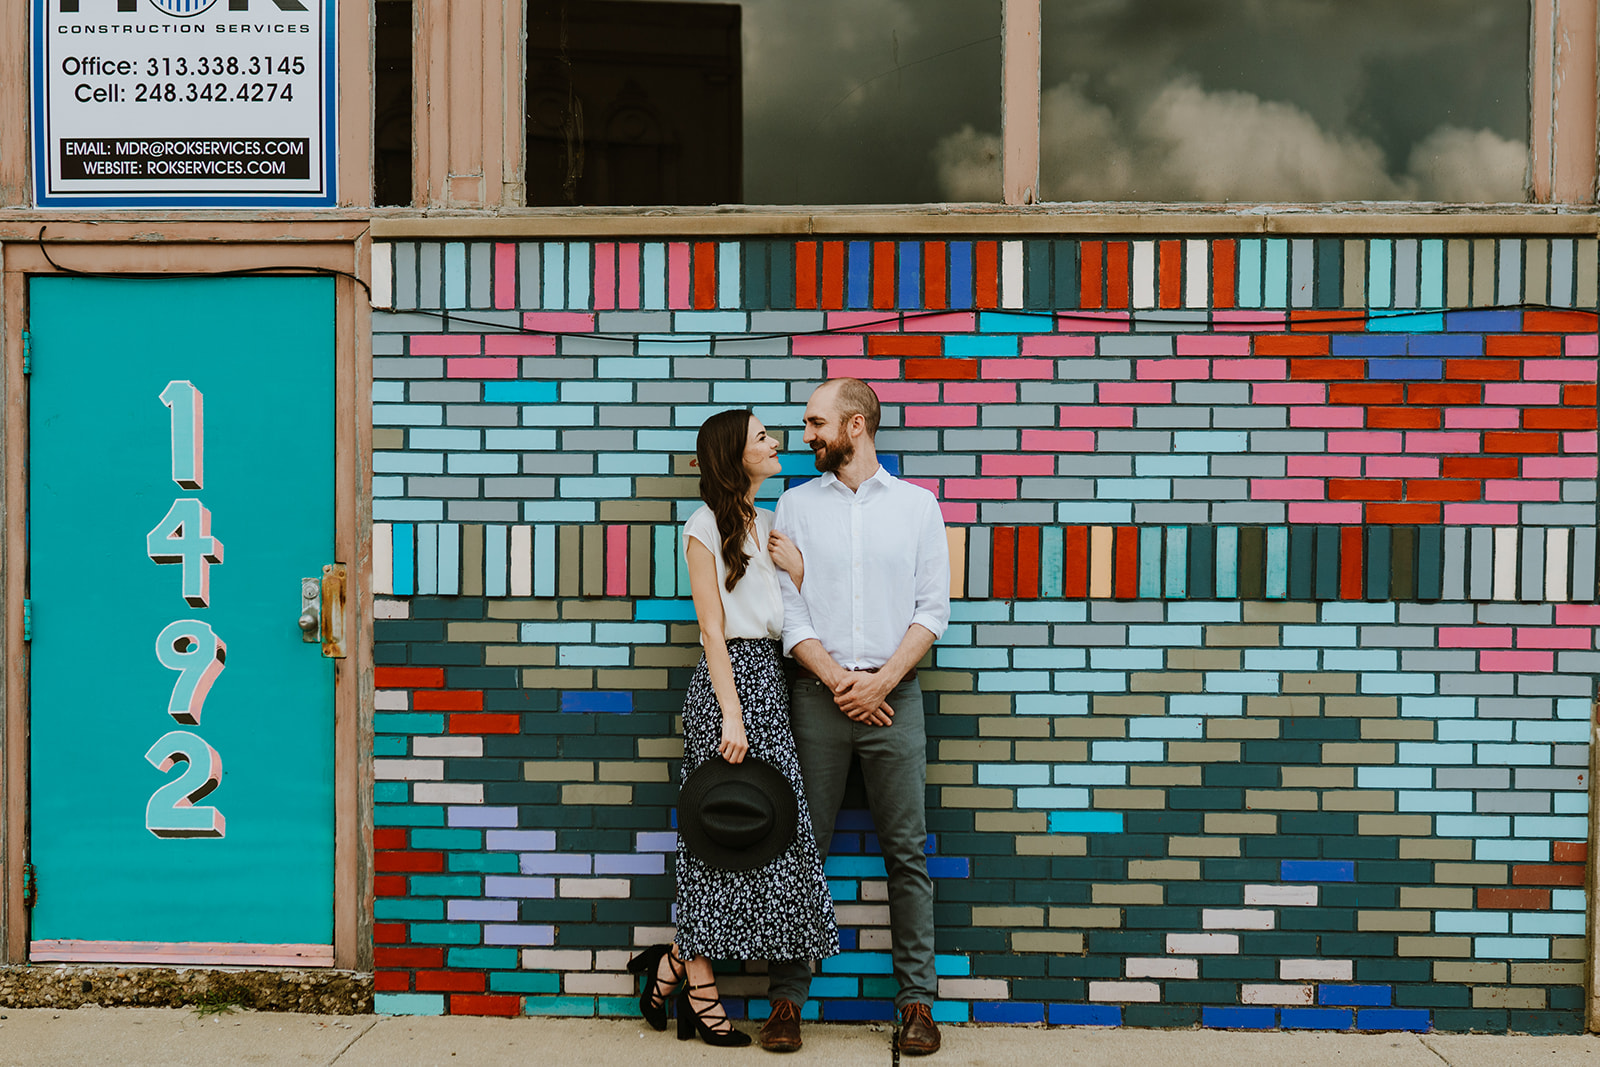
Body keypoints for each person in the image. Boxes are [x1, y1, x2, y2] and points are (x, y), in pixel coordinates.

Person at [627, 408, 839, 1047]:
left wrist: (798, 566)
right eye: (762, 439)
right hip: (730, 687)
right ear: (733, 456)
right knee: (712, 838)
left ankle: (668, 967)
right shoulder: (700, 527)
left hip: (772, 680)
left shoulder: (771, 525)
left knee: (768, 838)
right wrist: (732, 713)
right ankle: (702, 991)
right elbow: (713, 630)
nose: (776, 444)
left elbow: (802, 611)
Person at [762, 378, 951, 1057]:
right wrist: (844, 680)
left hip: (896, 700)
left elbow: (932, 609)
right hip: (818, 697)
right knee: (799, 850)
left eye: (815, 422)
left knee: (907, 854)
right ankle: (786, 998)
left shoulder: (917, 507)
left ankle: (917, 1007)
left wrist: (882, 683)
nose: (806, 434)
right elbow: (790, 609)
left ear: (855, 424)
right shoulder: (796, 505)